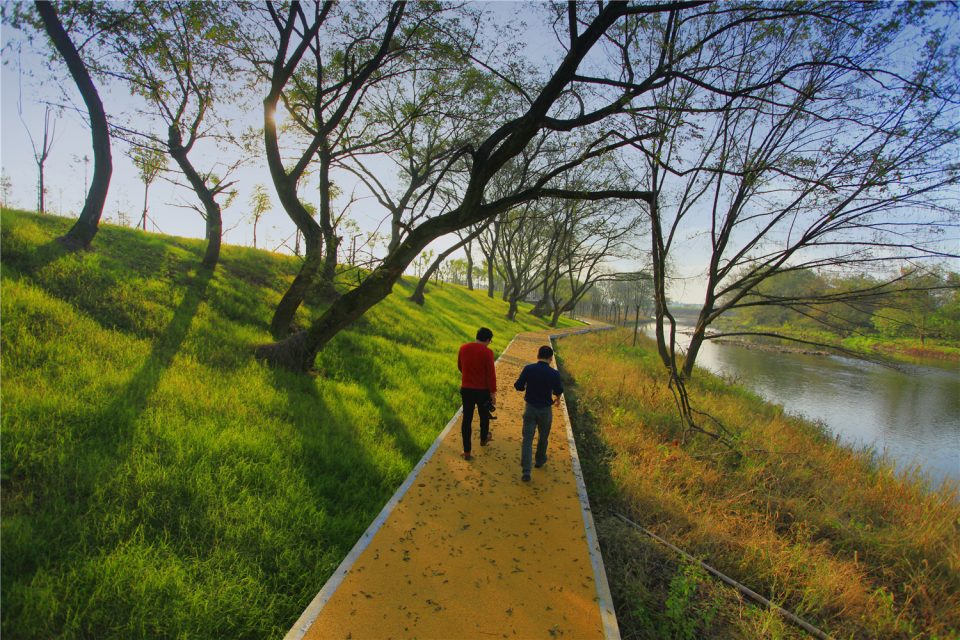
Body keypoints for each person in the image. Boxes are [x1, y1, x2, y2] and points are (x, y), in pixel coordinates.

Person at [513, 345, 563, 482]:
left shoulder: (529, 369)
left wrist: (524, 387)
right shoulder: (554, 374)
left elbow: (518, 385)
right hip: (545, 410)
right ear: (550, 358)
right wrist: (557, 398)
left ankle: (526, 471)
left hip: (530, 408)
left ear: (537, 356)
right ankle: (540, 460)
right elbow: (558, 390)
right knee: (543, 437)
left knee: (527, 439)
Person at [457, 327, 497, 460]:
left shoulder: (463, 348)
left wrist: (469, 377)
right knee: (484, 416)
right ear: (487, 340)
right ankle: (483, 439)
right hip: (482, 391)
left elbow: (460, 366)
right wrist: (493, 393)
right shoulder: (488, 352)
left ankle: (467, 451)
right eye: (490, 341)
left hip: (466, 389)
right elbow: (491, 375)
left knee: (467, 419)